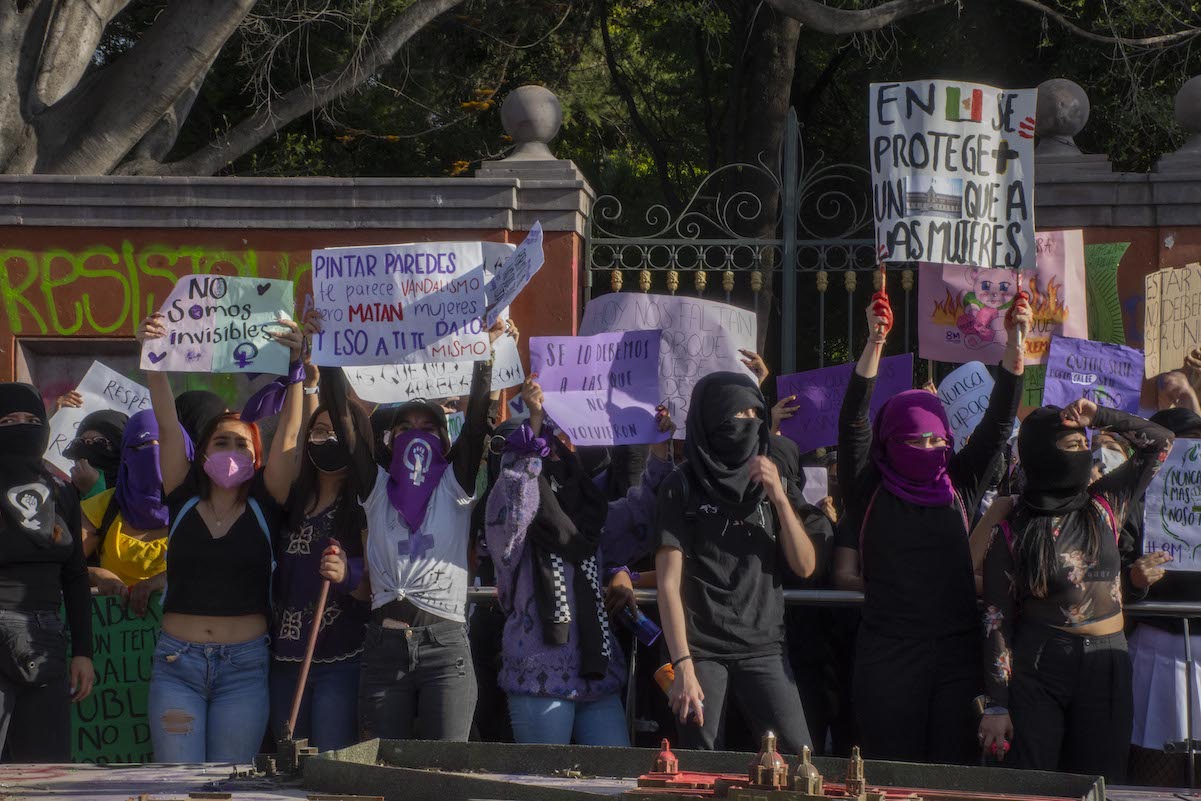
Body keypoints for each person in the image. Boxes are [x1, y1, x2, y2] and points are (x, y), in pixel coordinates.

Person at [832, 288, 1029, 765]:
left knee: (948, 776)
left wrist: (1016, 339)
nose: (927, 447)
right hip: (888, 661)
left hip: (956, 662)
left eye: (936, 439)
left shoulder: (957, 482)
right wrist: (875, 343)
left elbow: (999, 422)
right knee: (890, 774)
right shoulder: (869, 487)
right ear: (890, 440)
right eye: (913, 439)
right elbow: (853, 422)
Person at [324, 319, 509, 741]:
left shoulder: (455, 483)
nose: (416, 435)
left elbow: (477, 420)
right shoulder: (375, 488)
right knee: (381, 771)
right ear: (388, 441)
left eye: (428, 428)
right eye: (405, 428)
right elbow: (344, 422)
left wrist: (485, 354)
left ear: (444, 442)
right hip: (383, 651)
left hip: (445, 650)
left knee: (445, 775)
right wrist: (327, 352)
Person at [138, 312, 306, 763]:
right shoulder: (182, 496)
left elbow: (291, 432)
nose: (231, 452)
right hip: (177, 668)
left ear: (258, 457)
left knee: (230, 785)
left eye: (242, 445)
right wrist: (154, 357)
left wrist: (296, 367)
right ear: (203, 451)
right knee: (178, 785)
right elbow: (168, 424)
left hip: (245, 670)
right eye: (220, 443)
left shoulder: (267, 502)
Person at [978, 400, 1173, 783]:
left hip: (1108, 663)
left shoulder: (1105, 503)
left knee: (1100, 780)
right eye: (1071, 446)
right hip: (1041, 665)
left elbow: (1160, 441)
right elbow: (996, 619)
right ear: (1041, 454)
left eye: (1085, 444)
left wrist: (1098, 417)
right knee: (1036, 783)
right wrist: (997, 705)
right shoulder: (1014, 527)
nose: (1084, 453)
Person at [485, 376, 675, 745]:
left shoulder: (589, 521)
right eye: (543, 450)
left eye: (557, 448)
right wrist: (534, 424)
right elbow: (516, 496)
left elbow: (642, 513)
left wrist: (659, 448)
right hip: (538, 677)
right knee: (546, 784)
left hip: (596, 675)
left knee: (614, 781)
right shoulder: (513, 528)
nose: (553, 454)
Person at [655, 371, 818, 753]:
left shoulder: (770, 479)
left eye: (754, 413)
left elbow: (806, 565)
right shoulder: (680, 486)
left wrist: (779, 497)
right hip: (701, 651)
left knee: (800, 760)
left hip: (764, 647)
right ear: (712, 420)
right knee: (701, 766)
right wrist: (683, 665)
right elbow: (667, 583)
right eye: (737, 414)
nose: (749, 423)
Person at [268, 391, 371, 752]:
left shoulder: (365, 503)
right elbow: (286, 445)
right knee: (286, 769)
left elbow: (375, 587)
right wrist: (306, 384)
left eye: (338, 432)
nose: (328, 440)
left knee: (329, 768)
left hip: (339, 660)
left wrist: (347, 574)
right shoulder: (291, 499)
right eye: (320, 431)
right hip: (284, 659)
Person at [0, 383, 94, 761]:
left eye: (31, 420)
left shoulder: (61, 491)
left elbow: (75, 575)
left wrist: (83, 652)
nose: (22, 428)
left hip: (46, 642)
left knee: (45, 774)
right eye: (7, 421)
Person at [1127, 407, 1201, 785]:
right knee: (1158, 769)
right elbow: (1112, 569)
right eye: (1184, 442)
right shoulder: (1131, 499)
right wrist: (1136, 578)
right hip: (1160, 650)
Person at [80, 409, 178, 610]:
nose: (153, 453)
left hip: (186, 636)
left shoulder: (199, 507)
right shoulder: (102, 506)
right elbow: (61, 566)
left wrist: (166, 579)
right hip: (116, 634)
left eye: (162, 443)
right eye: (142, 445)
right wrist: (98, 576)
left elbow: (219, 567)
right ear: (125, 454)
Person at [61, 409, 127, 499]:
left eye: (100, 441)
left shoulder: (135, 496)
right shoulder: (62, 495)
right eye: (81, 442)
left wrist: (93, 492)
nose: (88, 447)